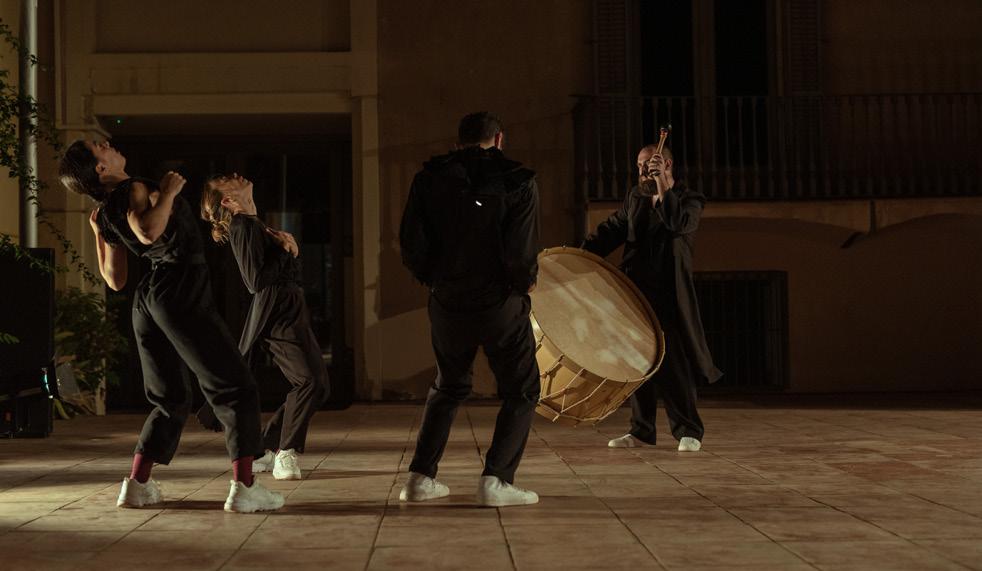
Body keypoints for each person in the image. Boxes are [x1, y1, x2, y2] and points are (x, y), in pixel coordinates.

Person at [58, 140, 284, 513]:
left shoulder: (104, 211)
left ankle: (136, 485)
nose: (108, 145)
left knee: (170, 398)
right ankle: (245, 488)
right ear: (100, 168)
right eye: (100, 147)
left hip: (148, 299)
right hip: (180, 289)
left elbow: (114, 279)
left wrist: (100, 233)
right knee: (236, 386)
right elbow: (148, 232)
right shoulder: (134, 188)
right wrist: (170, 193)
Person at [398, 112, 541, 506]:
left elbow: (411, 244)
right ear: (499, 139)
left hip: (447, 302)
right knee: (523, 389)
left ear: (459, 141)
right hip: (499, 304)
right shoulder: (518, 180)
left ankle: (418, 479)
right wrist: (522, 283)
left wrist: (437, 280)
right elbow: (520, 249)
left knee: (448, 386)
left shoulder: (428, 178)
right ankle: (496, 480)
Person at [582, 143, 722, 452]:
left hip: (669, 295)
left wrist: (662, 189)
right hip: (634, 292)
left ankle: (689, 430)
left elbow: (677, 224)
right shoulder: (636, 197)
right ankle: (641, 431)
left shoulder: (690, 200)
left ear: (667, 165)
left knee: (673, 364)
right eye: (641, 166)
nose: (644, 171)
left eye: (650, 165)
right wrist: (577, 256)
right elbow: (614, 229)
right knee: (636, 363)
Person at [197, 173, 330, 480]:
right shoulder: (243, 226)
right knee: (309, 382)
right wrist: (284, 251)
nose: (235, 175)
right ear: (229, 201)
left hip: (289, 309)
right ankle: (286, 452)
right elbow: (255, 280)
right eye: (226, 181)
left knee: (319, 385)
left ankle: (265, 449)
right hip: (278, 313)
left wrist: (286, 249)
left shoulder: (255, 225)